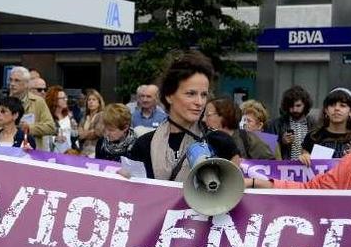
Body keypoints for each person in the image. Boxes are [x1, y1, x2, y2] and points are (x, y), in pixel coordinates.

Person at [127, 51, 239, 181]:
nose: (199, 102)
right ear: (169, 96)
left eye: (203, 95)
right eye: (190, 93)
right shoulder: (143, 145)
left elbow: (231, 190)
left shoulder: (221, 143)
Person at [0, 67, 55, 150]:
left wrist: (29, 128)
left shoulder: (38, 102)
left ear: (26, 84)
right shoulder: (2, 104)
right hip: (5, 150)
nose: (12, 84)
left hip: (31, 151)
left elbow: (51, 127)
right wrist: (7, 129)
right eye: (10, 80)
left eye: (16, 80)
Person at [298, 88, 351, 166]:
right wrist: (304, 158)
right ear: (326, 110)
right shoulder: (313, 136)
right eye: (332, 105)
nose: (336, 109)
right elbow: (303, 161)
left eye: (342, 106)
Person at [206, 97, 274, 160]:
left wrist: (247, 167)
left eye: (208, 115)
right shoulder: (205, 139)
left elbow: (273, 167)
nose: (203, 119)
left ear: (223, 117)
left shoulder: (249, 140)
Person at [265, 85, 319, 160]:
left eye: (298, 105)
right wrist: (281, 142)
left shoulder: (314, 124)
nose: (294, 109)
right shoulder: (275, 124)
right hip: (284, 168)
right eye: (291, 106)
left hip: (309, 167)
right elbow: (267, 151)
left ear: (305, 105)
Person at [45, 85, 73, 153]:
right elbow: (44, 137)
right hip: (53, 152)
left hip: (68, 152)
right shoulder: (48, 116)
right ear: (54, 100)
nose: (66, 100)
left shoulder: (68, 116)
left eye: (65, 98)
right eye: (63, 98)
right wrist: (55, 139)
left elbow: (72, 135)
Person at [78, 88, 105, 157]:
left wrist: (85, 133)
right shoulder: (84, 117)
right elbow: (79, 135)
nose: (91, 102)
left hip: (96, 150)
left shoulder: (102, 115)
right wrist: (90, 132)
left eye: (94, 99)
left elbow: (98, 132)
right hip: (83, 150)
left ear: (99, 103)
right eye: (89, 100)